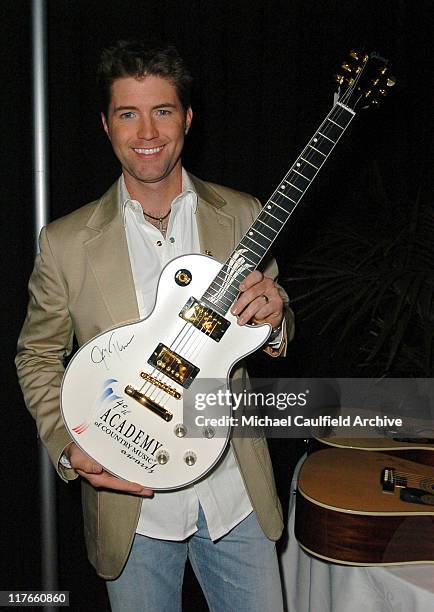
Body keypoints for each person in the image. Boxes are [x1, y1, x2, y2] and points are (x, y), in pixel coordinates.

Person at [16, 40, 293, 612]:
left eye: (162, 110)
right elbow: (37, 355)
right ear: (106, 124)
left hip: (235, 495)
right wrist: (70, 447)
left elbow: (271, 319)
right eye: (128, 113)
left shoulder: (244, 215)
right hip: (132, 507)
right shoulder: (65, 244)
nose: (147, 131)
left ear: (187, 118)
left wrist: (278, 317)